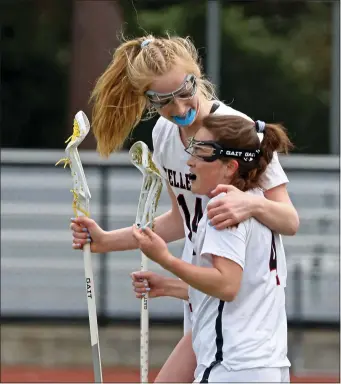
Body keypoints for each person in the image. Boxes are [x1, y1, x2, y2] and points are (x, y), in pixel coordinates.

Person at [70, 34, 299, 382]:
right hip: (203, 292)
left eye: (184, 92)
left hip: (240, 297)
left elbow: (290, 220)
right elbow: (182, 221)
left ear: (197, 74)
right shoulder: (164, 136)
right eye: (162, 101)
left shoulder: (234, 133)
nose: (179, 109)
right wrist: (106, 241)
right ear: (147, 101)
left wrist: (249, 203)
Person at [132, 114, 292, 383]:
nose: (190, 160)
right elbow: (243, 290)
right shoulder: (258, 208)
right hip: (268, 366)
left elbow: (226, 286)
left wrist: (165, 259)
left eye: (202, 152)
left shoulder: (223, 209)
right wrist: (169, 286)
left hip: (230, 366)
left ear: (230, 167)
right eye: (192, 148)